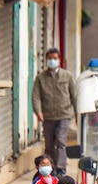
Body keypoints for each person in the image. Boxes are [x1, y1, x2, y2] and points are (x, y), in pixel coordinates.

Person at [32, 48, 77, 176]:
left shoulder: (67, 76)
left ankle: (61, 168)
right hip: (48, 116)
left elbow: (74, 96)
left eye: (55, 58)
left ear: (59, 59)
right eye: (50, 59)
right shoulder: (41, 78)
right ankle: (51, 167)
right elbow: (36, 96)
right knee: (49, 145)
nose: (52, 61)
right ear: (46, 60)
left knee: (61, 141)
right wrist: (38, 111)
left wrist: (77, 113)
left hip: (64, 115)